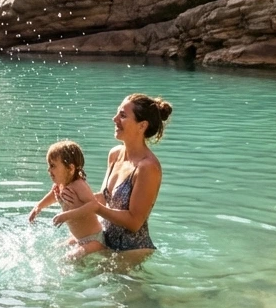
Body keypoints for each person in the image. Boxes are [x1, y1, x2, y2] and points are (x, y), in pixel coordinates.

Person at [54, 93, 172, 257]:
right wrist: (74, 198)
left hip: (130, 250)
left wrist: (96, 208)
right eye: (117, 113)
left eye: (122, 115)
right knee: (55, 251)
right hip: (104, 239)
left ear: (142, 126)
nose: (114, 119)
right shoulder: (115, 154)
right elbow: (105, 197)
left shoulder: (148, 167)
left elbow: (134, 222)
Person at [27, 140, 105, 258]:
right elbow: (53, 195)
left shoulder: (79, 185)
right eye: (49, 166)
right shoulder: (60, 185)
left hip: (94, 240)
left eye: (53, 166)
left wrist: (66, 216)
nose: (49, 170)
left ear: (70, 168)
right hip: (78, 238)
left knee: (70, 258)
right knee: (54, 250)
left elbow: (93, 205)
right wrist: (39, 206)